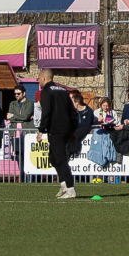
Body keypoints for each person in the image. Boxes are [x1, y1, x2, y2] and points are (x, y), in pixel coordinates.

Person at [36, 70, 79, 199]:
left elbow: (46, 112)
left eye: (39, 79)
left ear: (44, 78)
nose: (38, 81)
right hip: (65, 129)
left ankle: (71, 189)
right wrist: (72, 130)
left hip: (56, 130)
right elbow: (73, 112)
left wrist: (41, 130)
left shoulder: (47, 92)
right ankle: (64, 185)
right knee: (54, 158)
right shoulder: (63, 91)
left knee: (60, 159)